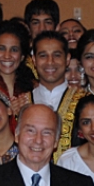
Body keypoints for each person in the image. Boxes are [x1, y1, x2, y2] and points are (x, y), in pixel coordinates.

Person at [29, 30, 87, 159]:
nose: (50, 62)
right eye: (43, 55)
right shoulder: (23, 102)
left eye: (57, 55)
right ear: (34, 60)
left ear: (67, 59)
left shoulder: (84, 101)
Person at [0, 20, 35, 113]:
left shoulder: (35, 90)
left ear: (22, 56)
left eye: (14, 49)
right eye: (1, 49)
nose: (7, 55)